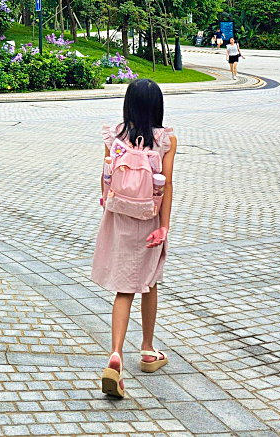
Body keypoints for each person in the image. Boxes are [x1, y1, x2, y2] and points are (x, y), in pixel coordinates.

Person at [93, 79, 177, 398]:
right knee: (149, 281)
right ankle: (146, 348)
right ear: (157, 106)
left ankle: (116, 354)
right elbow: (167, 186)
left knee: (124, 288)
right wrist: (164, 227)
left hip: (119, 218)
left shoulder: (113, 137)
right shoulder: (165, 140)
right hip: (150, 219)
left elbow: (103, 179)